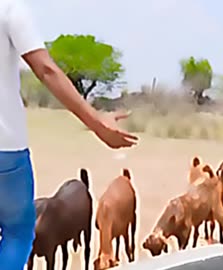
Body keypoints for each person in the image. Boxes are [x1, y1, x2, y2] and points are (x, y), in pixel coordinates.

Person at [0, 0, 138, 268]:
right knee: (18, 232)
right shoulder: (10, 8)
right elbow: (46, 69)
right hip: (6, 149)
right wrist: (96, 122)